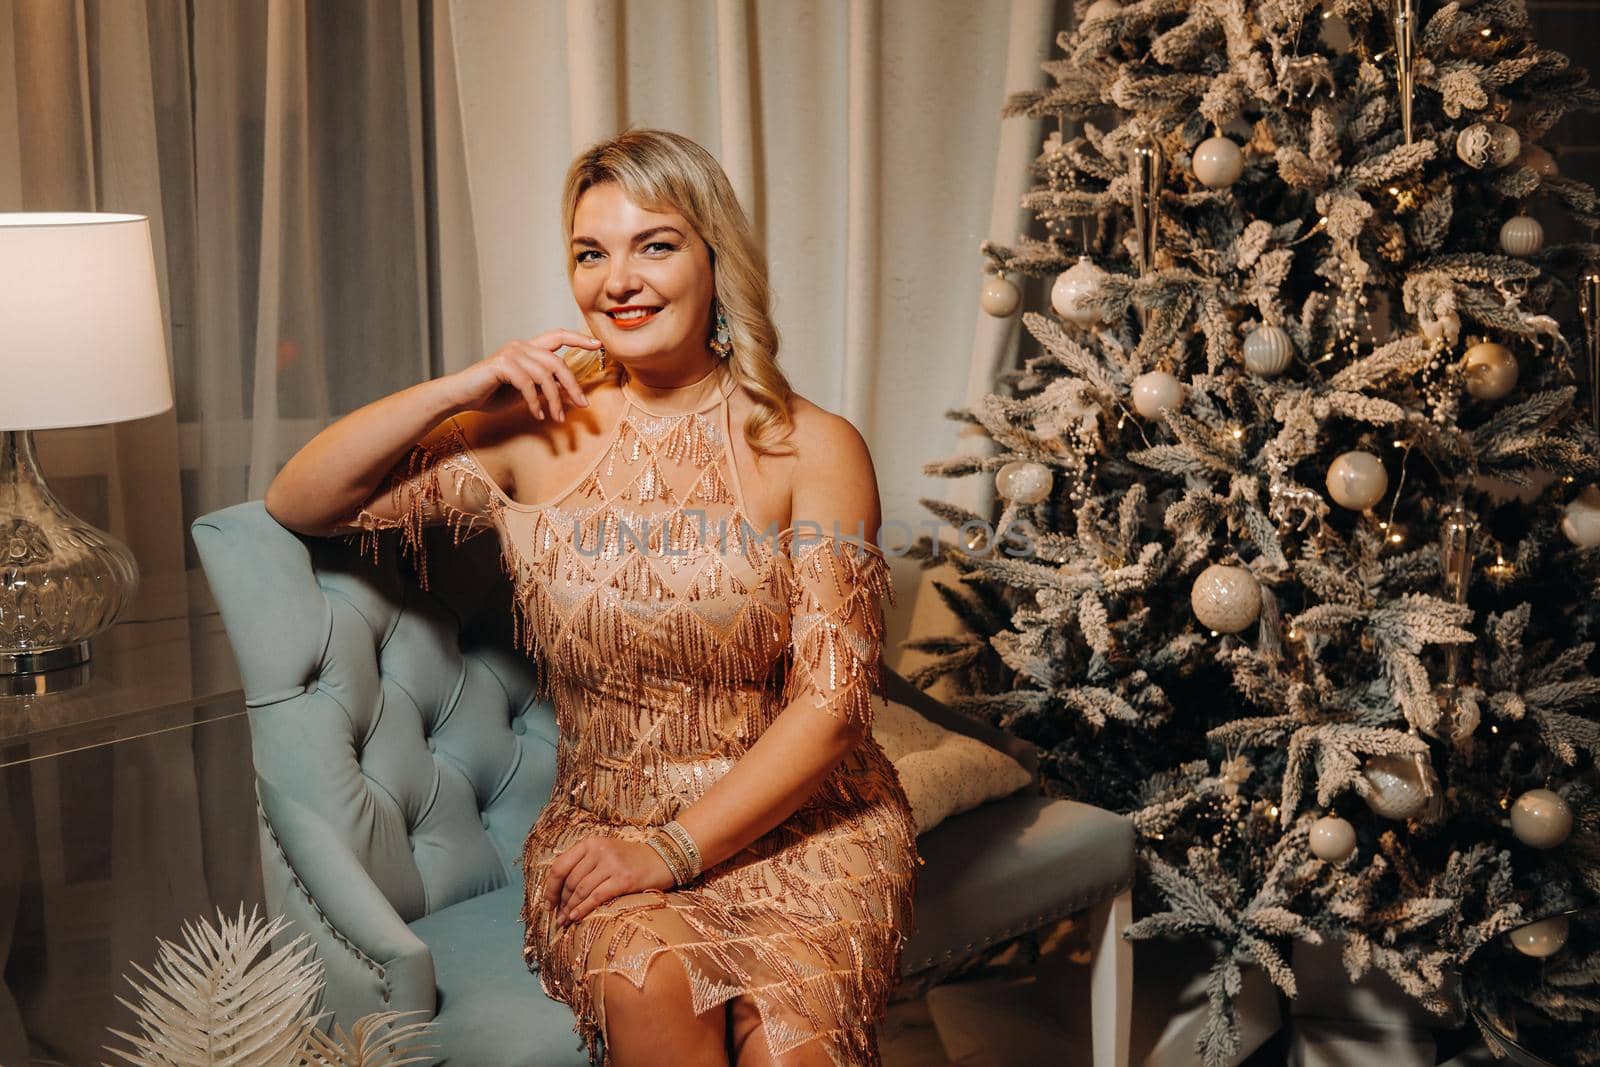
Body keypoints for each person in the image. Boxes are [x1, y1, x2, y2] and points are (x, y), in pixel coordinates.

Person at [264, 128, 921, 1067]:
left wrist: (679, 849)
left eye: (654, 244)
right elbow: (302, 498)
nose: (620, 279)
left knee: (794, 1053)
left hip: (808, 826)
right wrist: (458, 388)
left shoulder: (812, 445)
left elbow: (833, 706)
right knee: (653, 998)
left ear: (713, 260)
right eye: (590, 252)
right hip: (607, 828)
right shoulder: (533, 430)